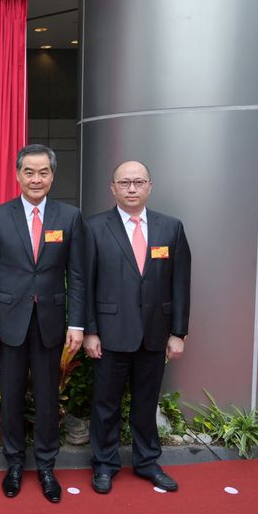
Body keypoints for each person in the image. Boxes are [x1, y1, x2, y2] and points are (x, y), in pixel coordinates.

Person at [0, 144, 86, 503]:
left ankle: (45, 465)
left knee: (46, 398)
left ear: (52, 176)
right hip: (8, 323)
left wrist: (78, 323)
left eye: (43, 172)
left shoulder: (69, 217)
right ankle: (13, 463)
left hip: (51, 323)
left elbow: (78, 275)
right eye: (29, 172)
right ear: (17, 175)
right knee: (9, 398)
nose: (36, 179)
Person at [84, 160, 191, 494]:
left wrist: (178, 332)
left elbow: (180, 283)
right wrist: (90, 330)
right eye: (125, 182)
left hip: (154, 333)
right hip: (110, 334)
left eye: (138, 182)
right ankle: (104, 464)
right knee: (105, 405)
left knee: (146, 403)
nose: (132, 188)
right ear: (112, 188)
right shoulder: (94, 228)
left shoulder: (170, 228)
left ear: (149, 186)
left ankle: (147, 462)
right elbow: (84, 284)